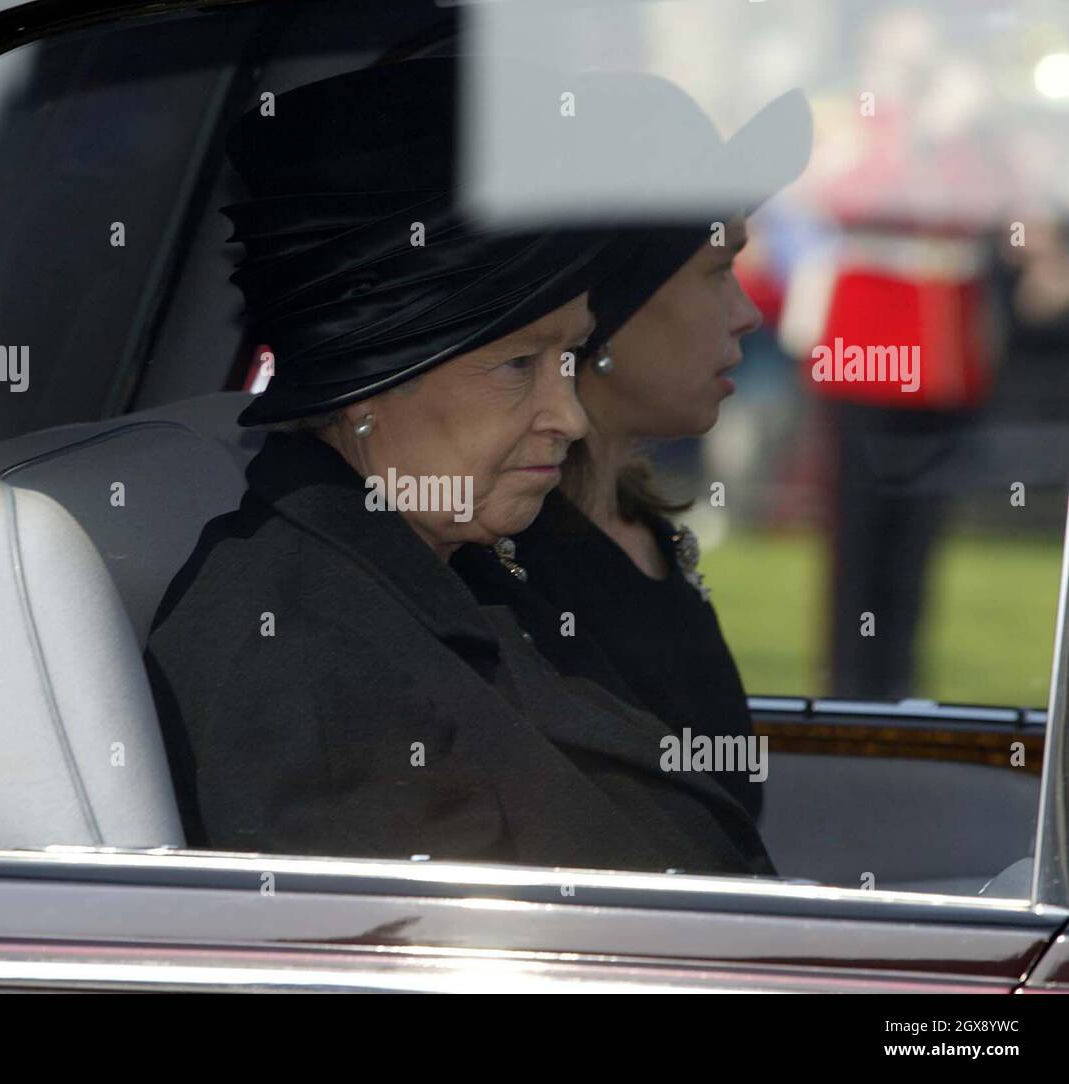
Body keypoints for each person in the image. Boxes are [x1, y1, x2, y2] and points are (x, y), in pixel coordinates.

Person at [145, 58, 774, 876]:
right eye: (519, 365)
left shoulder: (450, 572)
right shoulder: (306, 659)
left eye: (573, 356)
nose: (570, 415)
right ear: (371, 375)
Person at [452, 73, 813, 821]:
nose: (747, 314)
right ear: (605, 308)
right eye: (717, 272)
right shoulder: (503, 567)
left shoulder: (632, 527)